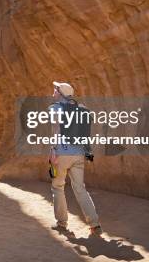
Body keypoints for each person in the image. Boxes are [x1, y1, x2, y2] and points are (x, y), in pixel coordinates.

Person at [49, 81, 102, 235]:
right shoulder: (83, 109)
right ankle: (95, 224)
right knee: (80, 188)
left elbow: (56, 132)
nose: (53, 91)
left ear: (60, 93)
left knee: (57, 186)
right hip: (78, 153)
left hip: (62, 153)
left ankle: (61, 223)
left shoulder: (55, 109)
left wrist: (53, 151)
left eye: (55, 89)